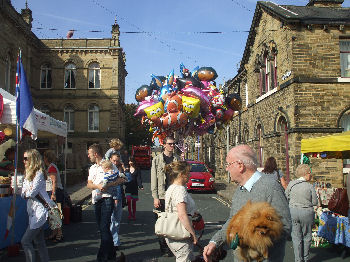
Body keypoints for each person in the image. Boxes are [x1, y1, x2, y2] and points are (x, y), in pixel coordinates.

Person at [203, 144, 291, 262]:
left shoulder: (271, 187)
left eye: (228, 164)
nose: (226, 169)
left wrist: (248, 238)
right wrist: (215, 242)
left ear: (240, 165)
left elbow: (285, 226)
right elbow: (232, 221)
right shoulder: (240, 190)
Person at [87, 144, 125, 262]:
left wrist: (107, 185)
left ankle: (101, 257)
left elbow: (120, 179)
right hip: (96, 200)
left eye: (89, 153)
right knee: (103, 228)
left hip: (107, 199)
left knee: (104, 227)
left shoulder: (109, 165)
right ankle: (112, 254)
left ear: (96, 154)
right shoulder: (92, 168)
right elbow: (88, 184)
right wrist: (97, 186)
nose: (88, 156)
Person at [151, 136, 181, 257]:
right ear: (164, 145)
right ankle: (163, 247)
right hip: (162, 196)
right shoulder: (157, 160)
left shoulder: (177, 159)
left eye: (174, 144)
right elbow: (154, 179)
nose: (172, 146)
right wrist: (155, 197)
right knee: (162, 223)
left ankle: (171, 246)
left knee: (173, 223)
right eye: (170, 144)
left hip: (174, 196)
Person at [164, 161, 198, 261]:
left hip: (171, 230)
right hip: (181, 234)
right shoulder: (180, 190)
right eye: (188, 173)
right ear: (182, 175)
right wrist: (193, 234)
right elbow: (182, 215)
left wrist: (193, 212)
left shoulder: (171, 188)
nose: (190, 175)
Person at [21, 149, 50, 262]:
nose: (23, 161)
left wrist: (27, 192)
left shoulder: (39, 173)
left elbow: (30, 193)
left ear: (33, 159)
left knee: (25, 241)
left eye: (26, 158)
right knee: (39, 241)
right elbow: (23, 193)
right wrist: (27, 192)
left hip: (40, 211)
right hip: (33, 211)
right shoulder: (28, 173)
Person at [285, 164, 318, 262]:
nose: (311, 175)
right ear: (306, 174)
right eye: (309, 173)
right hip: (306, 212)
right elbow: (315, 202)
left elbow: (286, 196)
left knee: (296, 236)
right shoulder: (309, 186)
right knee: (307, 236)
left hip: (293, 211)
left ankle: (298, 259)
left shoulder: (291, 184)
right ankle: (305, 258)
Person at [43, 150, 64, 242]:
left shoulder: (51, 167)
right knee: (52, 214)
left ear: (46, 158)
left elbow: (54, 181)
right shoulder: (51, 167)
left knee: (55, 213)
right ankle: (54, 232)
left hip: (54, 192)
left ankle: (59, 233)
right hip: (53, 191)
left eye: (44, 157)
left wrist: (53, 194)